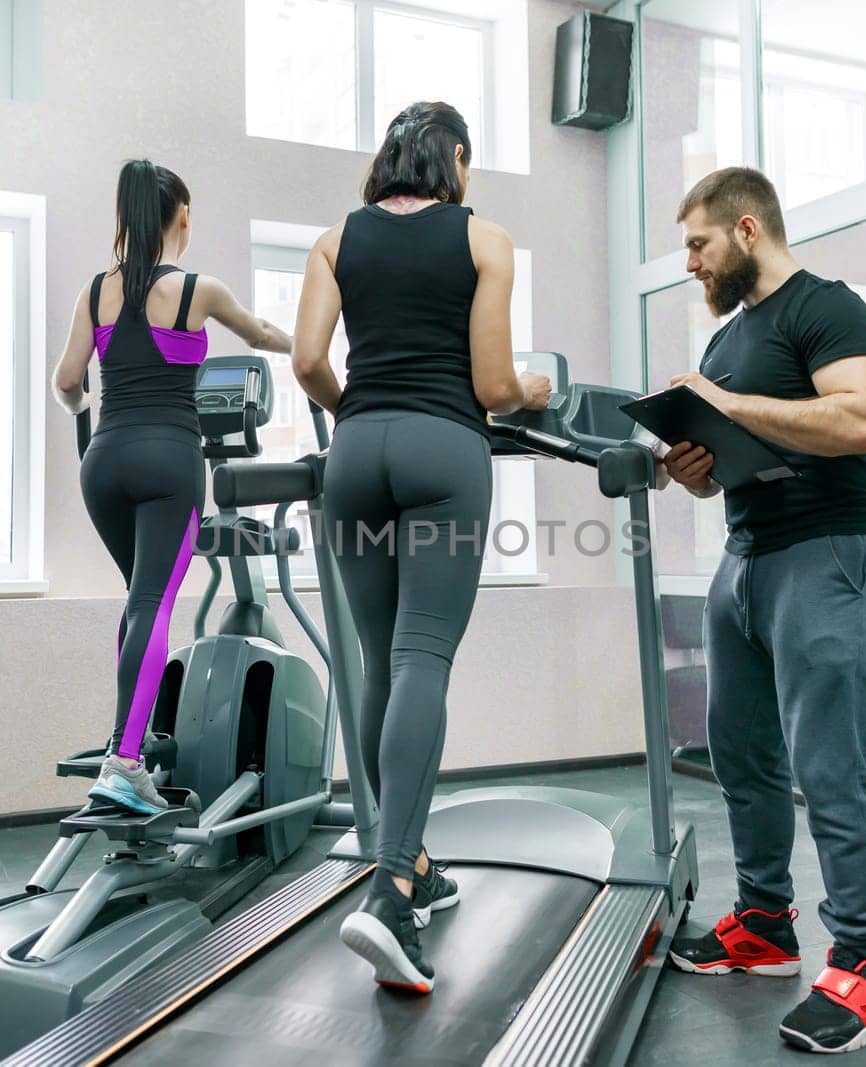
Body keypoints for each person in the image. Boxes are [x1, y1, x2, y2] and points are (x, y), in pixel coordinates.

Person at [291, 102, 551, 994]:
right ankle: (392, 892)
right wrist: (536, 387)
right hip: (445, 452)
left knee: (376, 660)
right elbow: (492, 384)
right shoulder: (486, 240)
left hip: (356, 454)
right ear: (460, 161)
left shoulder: (336, 239)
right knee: (422, 658)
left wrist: (357, 415)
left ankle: (409, 859)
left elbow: (308, 362)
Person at [657, 167, 866, 1054]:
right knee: (743, 756)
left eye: (698, 244)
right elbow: (737, 447)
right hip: (747, 556)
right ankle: (764, 923)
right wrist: (697, 463)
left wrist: (731, 405)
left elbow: (862, 419)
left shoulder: (826, 308)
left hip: (827, 550)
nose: (690, 262)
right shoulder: (727, 341)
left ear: (748, 229)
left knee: (830, 765)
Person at [52, 159, 293, 814]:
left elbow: (68, 381)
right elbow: (261, 333)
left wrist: (84, 418)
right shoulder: (198, 290)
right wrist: (309, 350)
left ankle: (131, 740)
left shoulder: (95, 291)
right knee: (154, 602)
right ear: (181, 216)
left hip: (102, 466)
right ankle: (126, 762)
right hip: (169, 463)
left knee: (139, 599)